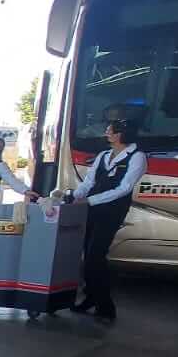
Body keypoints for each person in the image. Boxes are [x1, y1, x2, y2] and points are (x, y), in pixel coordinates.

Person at [66, 117, 146, 322]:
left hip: (112, 211)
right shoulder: (103, 155)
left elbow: (124, 188)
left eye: (110, 131)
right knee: (88, 254)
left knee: (95, 255)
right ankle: (91, 297)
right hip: (92, 209)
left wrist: (90, 201)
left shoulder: (137, 157)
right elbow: (89, 182)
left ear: (120, 134)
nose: (106, 133)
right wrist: (76, 196)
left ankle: (105, 305)